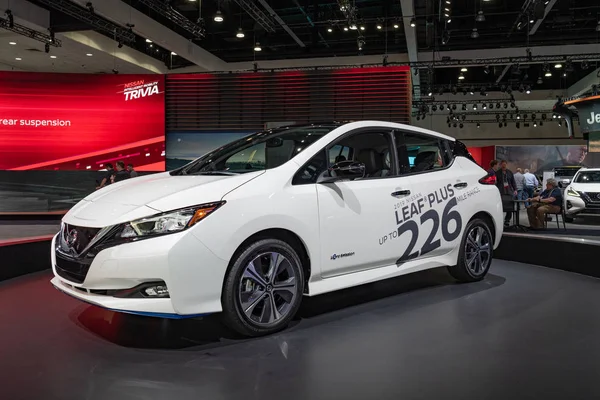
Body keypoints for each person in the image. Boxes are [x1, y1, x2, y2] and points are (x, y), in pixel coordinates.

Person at [496, 160, 517, 227]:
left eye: (505, 164)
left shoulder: (510, 172)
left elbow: (513, 181)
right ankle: (499, 220)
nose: (504, 165)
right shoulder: (497, 173)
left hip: (509, 191)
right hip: (501, 191)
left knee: (509, 207)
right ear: (500, 165)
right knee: (500, 207)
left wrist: (515, 189)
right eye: (502, 164)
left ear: (506, 165)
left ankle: (507, 220)